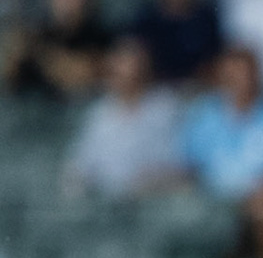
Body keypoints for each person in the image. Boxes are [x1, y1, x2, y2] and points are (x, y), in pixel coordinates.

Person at [177, 44, 263, 258]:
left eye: (245, 74)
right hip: (209, 195)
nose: (239, 81)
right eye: (232, 75)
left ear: (257, 76)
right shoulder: (204, 112)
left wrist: (255, 193)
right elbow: (189, 163)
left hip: (258, 193)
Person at [63, 38, 183, 198]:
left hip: (152, 199)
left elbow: (177, 164)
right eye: (114, 65)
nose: (117, 71)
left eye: (124, 63)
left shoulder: (165, 107)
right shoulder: (100, 112)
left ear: (143, 66)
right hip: (106, 202)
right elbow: (80, 163)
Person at [3, 0, 110, 98]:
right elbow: (7, 75)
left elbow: (80, 74)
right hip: (29, 109)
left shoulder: (99, 32)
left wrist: (36, 49)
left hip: (75, 111)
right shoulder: (38, 25)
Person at [131, 0, 224, 87]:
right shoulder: (146, 18)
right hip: (156, 92)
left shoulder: (206, 17)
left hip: (199, 91)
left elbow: (215, 64)